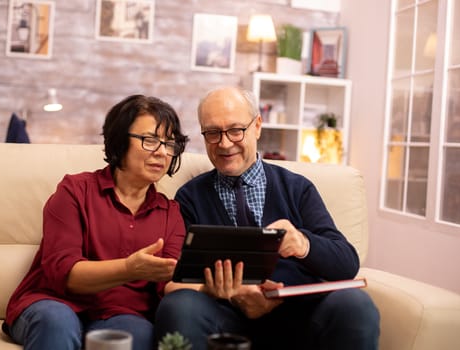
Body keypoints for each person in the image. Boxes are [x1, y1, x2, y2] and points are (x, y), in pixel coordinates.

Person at [155, 87, 380, 350]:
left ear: (257, 126)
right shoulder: (190, 198)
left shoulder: (297, 189)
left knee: (355, 304)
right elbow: (177, 277)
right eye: (213, 133)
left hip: (298, 317)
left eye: (236, 130)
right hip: (224, 317)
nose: (225, 143)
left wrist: (303, 243)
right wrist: (227, 292)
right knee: (178, 307)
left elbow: (346, 264)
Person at [2, 94, 189, 350]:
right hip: (53, 303)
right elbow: (64, 274)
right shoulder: (75, 191)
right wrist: (129, 268)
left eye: (169, 143)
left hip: (122, 314)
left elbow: (168, 281)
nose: (161, 152)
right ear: (119, 140)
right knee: (57, 323)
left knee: (138, 335)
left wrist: (216, 287)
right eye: (150, 140)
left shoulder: (170, 213)